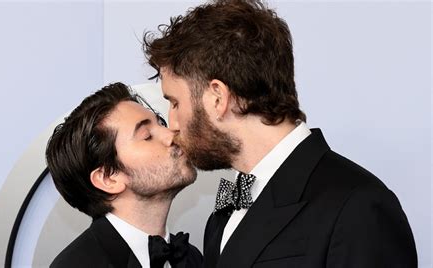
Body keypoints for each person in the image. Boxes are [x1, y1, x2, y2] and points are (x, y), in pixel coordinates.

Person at [143, 0, 417, 267]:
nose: (173, 123)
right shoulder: (225, 210)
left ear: (218, 98)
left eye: (175, 103)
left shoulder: (358, 207)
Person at [45, 82, 203, 268]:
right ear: (108, 178)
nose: (171, 135)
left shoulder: (190, 256)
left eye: (161, 123)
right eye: (147, 136)